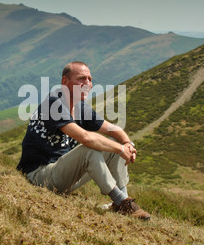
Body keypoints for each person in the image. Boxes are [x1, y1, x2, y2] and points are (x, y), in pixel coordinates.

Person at [17, 61, 150, 220]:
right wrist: (121, 149)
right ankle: (120, 200)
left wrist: (128, 144)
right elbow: (85, 138)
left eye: (89, 79)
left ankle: (123, 202)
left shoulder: (80, 107)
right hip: (39, 176)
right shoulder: (54, 103)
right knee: (90, 148)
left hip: (63, 174)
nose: (87, 83)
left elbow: (113, 129)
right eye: (81, 79)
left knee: (114, 144)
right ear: (65, 82)